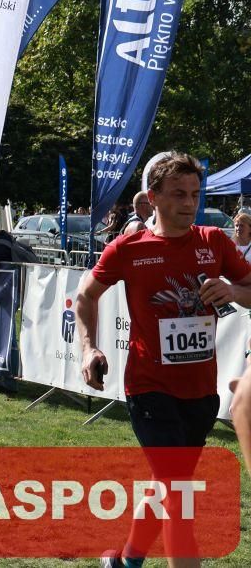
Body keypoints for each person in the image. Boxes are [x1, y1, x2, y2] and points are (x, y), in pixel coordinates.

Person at [72, 153, 251, 568]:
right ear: (152, 197)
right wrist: (88, 347)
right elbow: (85, 295)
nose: (189, 204)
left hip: (200, 392)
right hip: (149, 387)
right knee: (179, 495)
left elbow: (249, 288)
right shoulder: (129, 248)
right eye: (178, 194)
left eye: (195, 194)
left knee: (167, 485)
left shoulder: (214, 242)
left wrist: (233, 292)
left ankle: (127, 560)